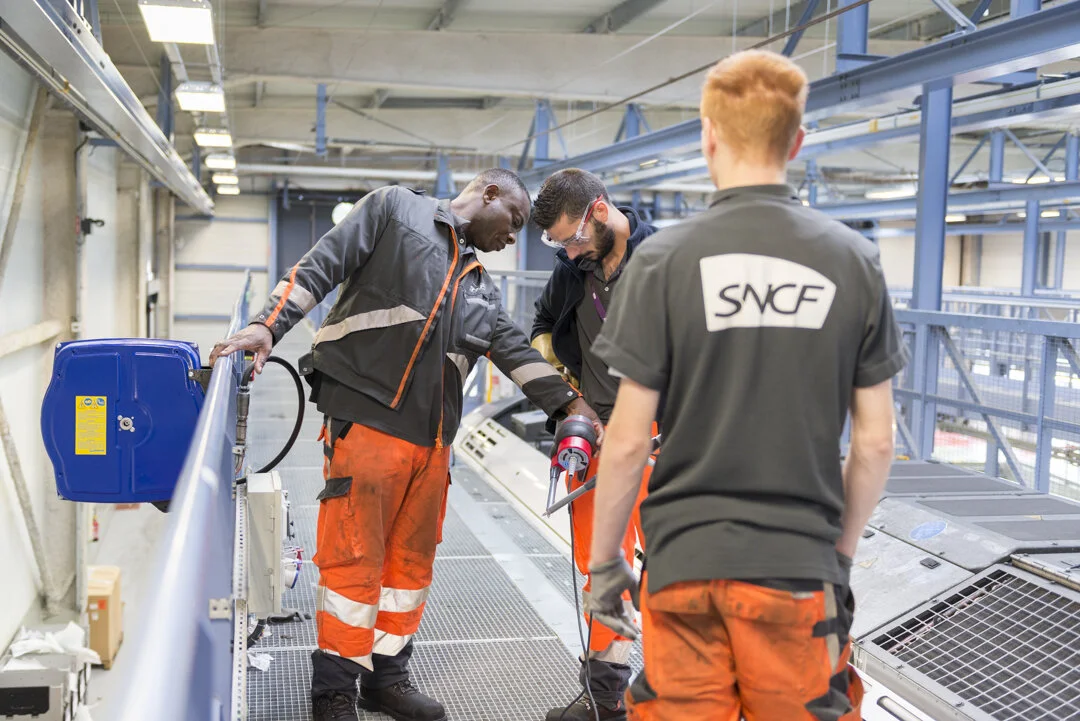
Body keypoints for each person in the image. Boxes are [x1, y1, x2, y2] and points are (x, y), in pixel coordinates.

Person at [583, 49, 908, 720]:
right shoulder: (855, 261)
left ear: (708, 135)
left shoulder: (662, 261)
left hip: (684, 565)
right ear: (797, 141)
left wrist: (606, 560)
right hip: (798, 571)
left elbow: (627, 439)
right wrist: (838, 557)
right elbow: (876, 442)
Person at [209, 169, 601, 721]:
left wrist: (573, 409)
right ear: (488, 193)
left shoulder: (481, 289)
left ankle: (386, 679)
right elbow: (321, 264)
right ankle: (334, 691)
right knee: (354, 560)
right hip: (368, 423)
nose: (513, 236)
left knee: (408, 569)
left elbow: (516, 353)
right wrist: (268, 325)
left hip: (433, 445)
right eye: (513, 220)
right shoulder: (395, 210)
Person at [529, 168, 658, 721]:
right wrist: (567, 389)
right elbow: (541, 322)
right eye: (559, 243)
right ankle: (606, 698)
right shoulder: (571, 271)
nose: (569, 251)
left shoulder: (666, 262)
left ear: (600, 211)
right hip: (600, 438)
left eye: (574, 238)